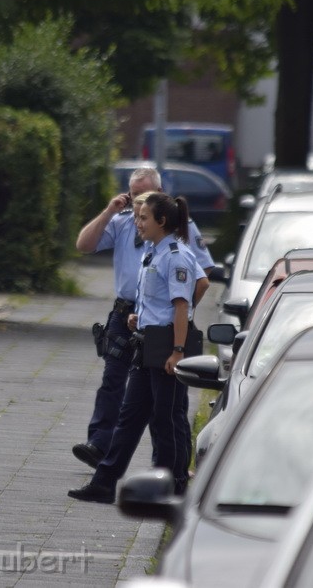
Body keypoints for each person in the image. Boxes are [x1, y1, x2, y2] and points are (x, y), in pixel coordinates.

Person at [71, 167, 211, 469]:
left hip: (163, 324)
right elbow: (83, 245)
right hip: (129, 314)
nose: (138, 202)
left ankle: (168, 468)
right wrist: (109, 210)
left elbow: (202, 276)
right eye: (134, 194)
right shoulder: (125, 224)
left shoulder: (175, 234)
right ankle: (101, 449)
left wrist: (181, 314)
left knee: (166, 401)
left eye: (145, 195)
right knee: (115, 381)